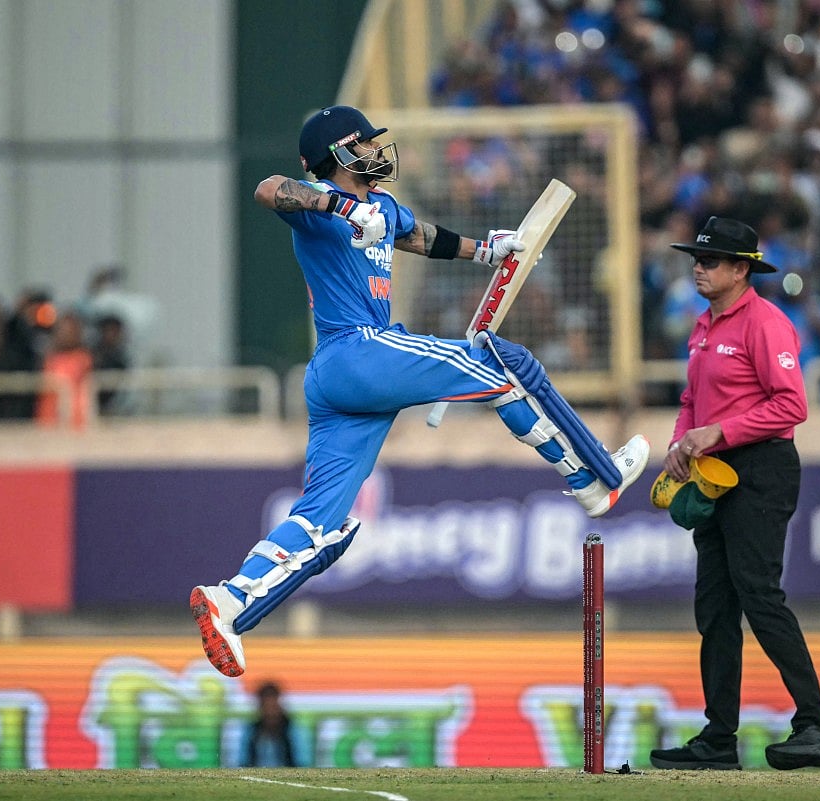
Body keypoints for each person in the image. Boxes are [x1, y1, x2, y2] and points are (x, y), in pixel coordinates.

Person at [190, 106, 649, 677]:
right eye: (362, 144)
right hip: (356, 351)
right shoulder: (319, 202)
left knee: (323, 522)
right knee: (502, 363)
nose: (375, 151)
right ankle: (593, 478)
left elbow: (418, 236)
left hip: (341, 382)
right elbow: (268, 189)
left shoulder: (383, 205)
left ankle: (231, 602)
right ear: (336, 154)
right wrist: (341, 207)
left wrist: (485, 250)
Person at [649, 216, 820, 771]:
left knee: (759, 594)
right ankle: (718, 738)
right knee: (715, 605)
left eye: (709, 261)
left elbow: (792, 405)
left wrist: (718, 432)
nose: (698, 268)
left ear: (742, 270)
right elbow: (692, 400)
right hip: (714, 471)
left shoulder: (766, 323)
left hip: (761, 468)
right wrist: (681, 443)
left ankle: (815, 725)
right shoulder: (703, 325)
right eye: (696, 259)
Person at [243, 681, 296, 767]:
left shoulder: (291, 730)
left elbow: (300, 762)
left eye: (273, 706)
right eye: (266, 706)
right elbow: (244, 761)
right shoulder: (251, 731)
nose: (270, 712)